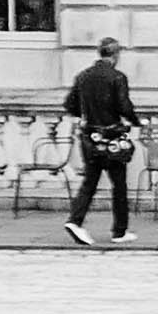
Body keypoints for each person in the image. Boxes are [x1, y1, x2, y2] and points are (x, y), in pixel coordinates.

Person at [61, 34, 138, 245]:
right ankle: (119, 231)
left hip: (90, 137)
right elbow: (124, 106)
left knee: (90, 182)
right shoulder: (117, 77)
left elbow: (69, 104)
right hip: (112, 138)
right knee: (119, 185)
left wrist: (84, 115)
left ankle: (75, 220)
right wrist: (136, 121)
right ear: (116, 55)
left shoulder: (83, 76)